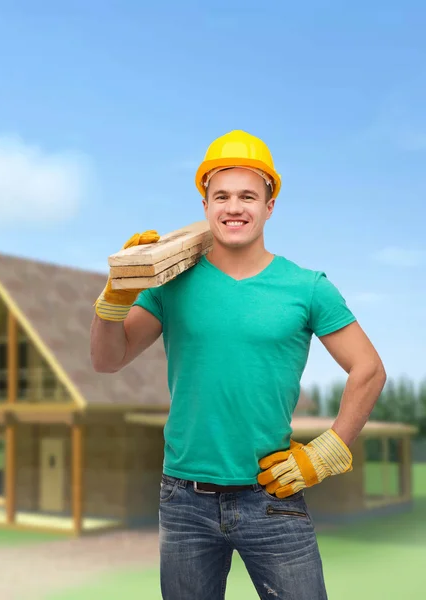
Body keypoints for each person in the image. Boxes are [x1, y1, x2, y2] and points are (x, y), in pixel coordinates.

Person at [90, 130, 386, 600]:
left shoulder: (307, 287)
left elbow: (368, 369)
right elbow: (107, 360)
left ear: (270, 206)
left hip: (272, 495)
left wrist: (326, 452)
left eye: (249, 196)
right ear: (205, 204)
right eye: (221, 195)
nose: (234, 207)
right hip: (183, 500)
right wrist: (114, 299)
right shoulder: (170, 284)